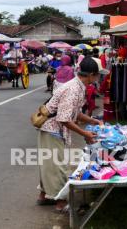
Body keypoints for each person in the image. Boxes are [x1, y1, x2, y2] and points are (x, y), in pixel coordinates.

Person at [36, 56, 107, 211]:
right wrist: (85, 134)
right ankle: (60, 203)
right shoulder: (73, 89)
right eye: (98, 74)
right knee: (58, 167)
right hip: (53, 129)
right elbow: (64, 119)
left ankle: (44, 196)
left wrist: (92, 121)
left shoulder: (79, 86)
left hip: (53, 128)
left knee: (50, 165)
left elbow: (76, 113)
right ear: (90, 75)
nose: (99, 77)